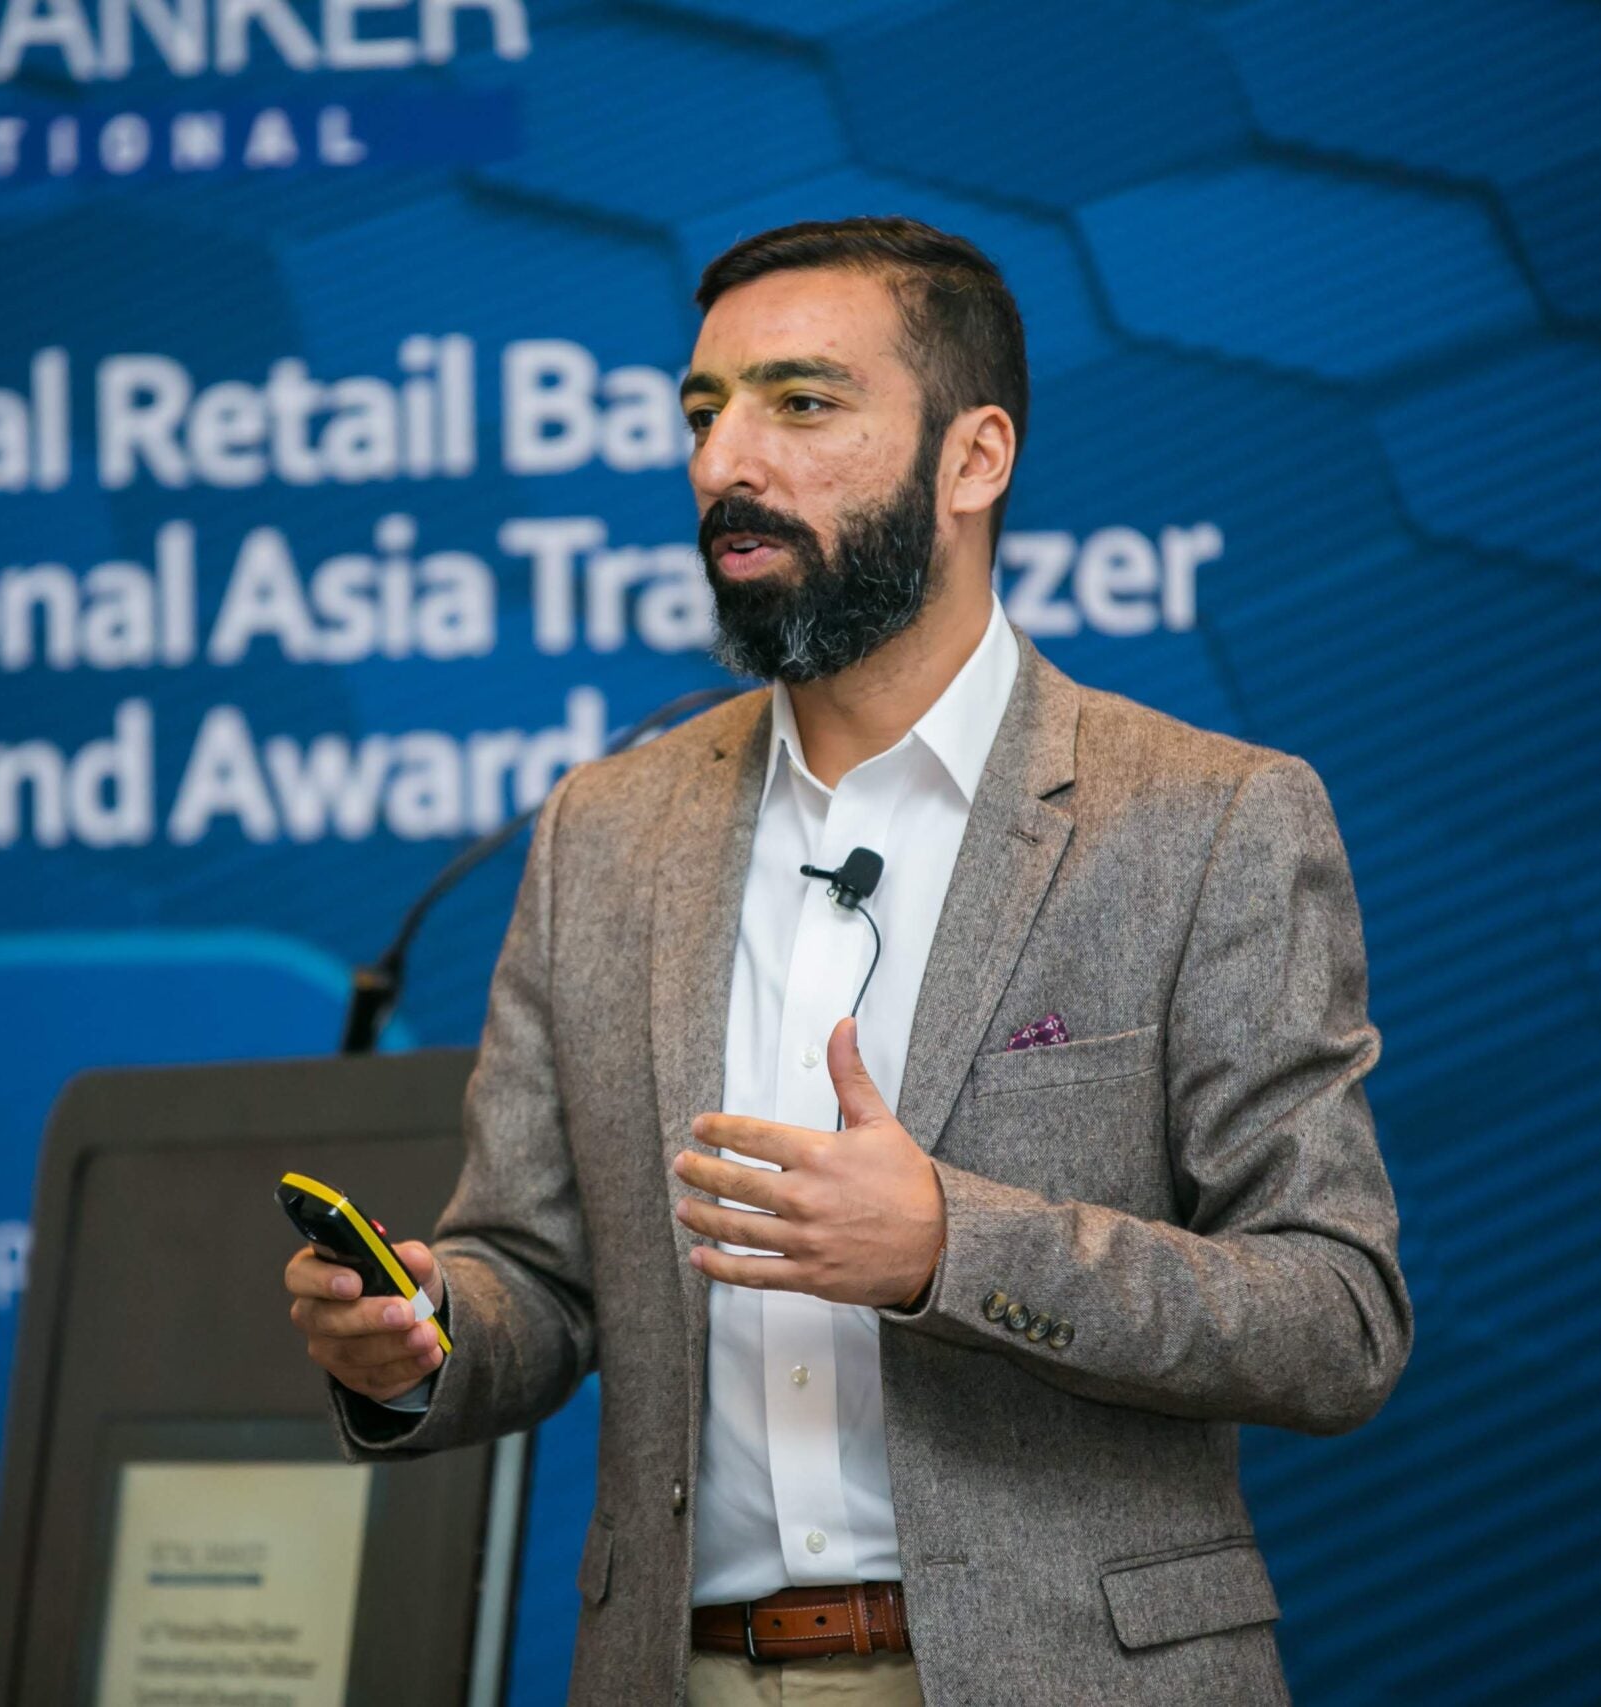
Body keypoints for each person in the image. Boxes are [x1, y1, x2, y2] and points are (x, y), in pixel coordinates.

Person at [282, 215, 1411, 1705]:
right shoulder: (605, 831)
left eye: (801, 404)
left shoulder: (1206, 821)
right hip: (686, 1674)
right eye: (703, 411)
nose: (724, 461)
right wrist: (421, 1341)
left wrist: (950, 1247)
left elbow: (1335, 1318)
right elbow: (537, 1274)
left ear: (973, 458)